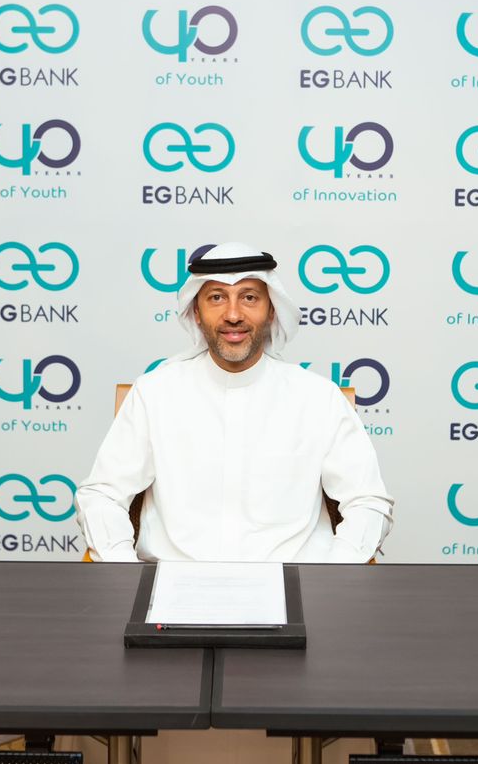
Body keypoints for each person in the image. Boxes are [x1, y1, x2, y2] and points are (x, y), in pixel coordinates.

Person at [77, 241, 394, 562]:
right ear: (196, 312)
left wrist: (334, 575)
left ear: (272, 310)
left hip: (293, 584)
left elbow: (367, 502)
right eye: (216, 298)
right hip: (173, 583)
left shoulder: (318, 398)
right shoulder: (154, 393)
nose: (232, 315)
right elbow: (102, 495)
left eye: (249, 297)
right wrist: (125, 573)